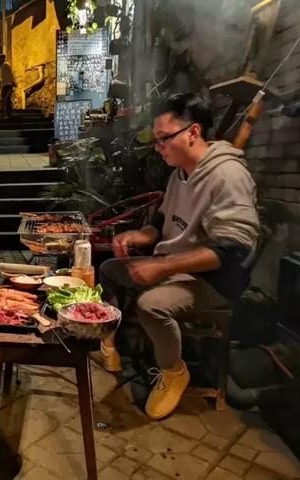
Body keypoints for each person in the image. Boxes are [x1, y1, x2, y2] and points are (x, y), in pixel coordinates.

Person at [97, 93, 259, 420]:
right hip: (173, 266)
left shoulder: (227, 175)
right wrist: (139, 235)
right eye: (156, 140)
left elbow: (233, 249)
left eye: (164, 138)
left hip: (213, 279)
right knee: (110, 270)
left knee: (151, 305)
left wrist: (163, 266)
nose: (158, 147)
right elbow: (162, 223)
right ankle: (109, 342)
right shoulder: (180, 173)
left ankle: (173, 371)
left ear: (193, 132)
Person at [0, 53, 15, 118]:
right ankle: (6, 114)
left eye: (0, 58)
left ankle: (8, 114)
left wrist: (13, 82)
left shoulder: (6, 65)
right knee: (4, 100)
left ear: (3, 58)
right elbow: (3, 76)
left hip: (8, 84)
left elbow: (10, 74)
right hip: (4, 85)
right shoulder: (2, 66)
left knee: (6, 99)